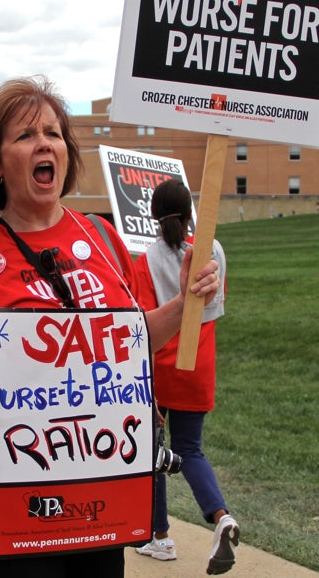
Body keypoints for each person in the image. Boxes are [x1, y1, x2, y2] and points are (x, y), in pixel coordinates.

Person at [0, 76, 222, 577]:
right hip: (6, 494)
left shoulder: (104, 240)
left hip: (97, 487)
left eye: (52, 132)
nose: (44, 143)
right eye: (25, 136)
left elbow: (131, 343)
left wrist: (186, 302)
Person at [131, 178, 240, 574]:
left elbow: (144, 325)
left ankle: (159, 537)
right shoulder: (214, 250)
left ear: (154, 216)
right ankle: (221, 516)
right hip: (200, 364)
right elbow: (215, 310)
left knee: (152, 453)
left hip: (161, 367)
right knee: (191, 449)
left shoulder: (146, 260)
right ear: (190, 212)